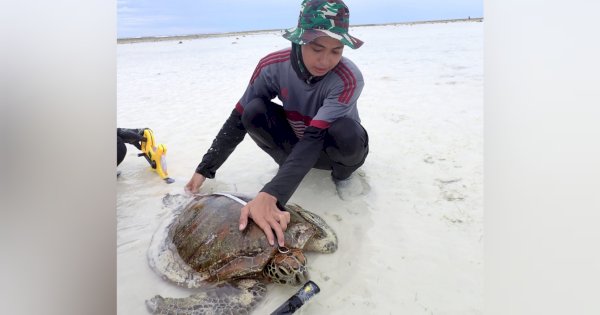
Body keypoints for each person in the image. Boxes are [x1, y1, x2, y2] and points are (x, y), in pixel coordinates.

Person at [185, 0, 369, 247]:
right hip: (296, 145)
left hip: (330, 149)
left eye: (336, 51)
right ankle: (287, 168)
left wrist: (272, 195)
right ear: (300, 39)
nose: (325, 61)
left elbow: (315, 137)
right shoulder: (271, 66)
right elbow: (237, 120)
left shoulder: (348, 78)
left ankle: (343, 177)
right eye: (317, 48)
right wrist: (204, 169)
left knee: (346, 132)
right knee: (253, 111)